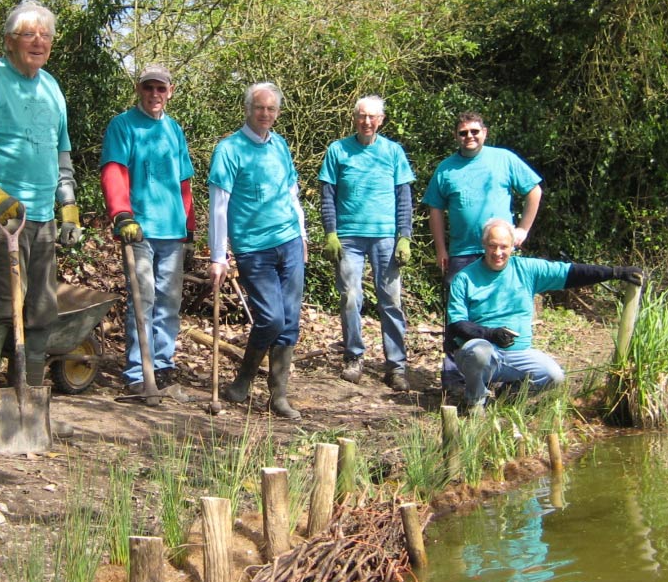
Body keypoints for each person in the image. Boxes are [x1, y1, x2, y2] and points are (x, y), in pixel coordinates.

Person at [0, 0, 82, 443]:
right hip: (0, 217)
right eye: (28, 35)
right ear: (9, 41)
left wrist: (68, 205)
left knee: (42, 310)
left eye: (44, 36)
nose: (38, 42)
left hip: (42, 216)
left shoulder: (52, 88)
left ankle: (25, 408)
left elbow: (61, 153)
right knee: (2, 308)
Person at [446, 218, 643, 412]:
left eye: (504, 247)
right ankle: (476, 402)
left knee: (554, 376)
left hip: (519, 354)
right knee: (478, 352)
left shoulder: (527, 270)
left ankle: (510, 396)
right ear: (484, 245)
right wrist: (489, 334)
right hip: (483, 353)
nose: (498, 252)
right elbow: (456, 324)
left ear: (513, 246)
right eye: (492, 246)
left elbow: (572, 272)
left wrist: (615, 272)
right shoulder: (465, 278)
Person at [208, 82, 308, 420]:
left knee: (290, 320)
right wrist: (219, 256)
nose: (265, 114)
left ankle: (278, 395)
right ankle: (244, 380)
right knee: (271, 317)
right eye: (259, 108)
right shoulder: (229, 149)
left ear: (277, 112)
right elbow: (219, 206)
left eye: (271, 109)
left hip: (290, 241)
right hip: (253, 248)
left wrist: (303, 234)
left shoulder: (280, 145)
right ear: (247, 109)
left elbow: (291, 192)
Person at [100, 63, 196, 401]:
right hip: (137, 230)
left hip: (172, 230)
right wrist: (121, 213)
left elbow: (184, 182)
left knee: (169, 301)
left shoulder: (174, 130)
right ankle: (138, 373)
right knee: (143, 300)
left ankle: (162, 365)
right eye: (148, 88)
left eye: (160, 88)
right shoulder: (123, 125)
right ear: (139, 90)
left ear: (170, 92)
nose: (154, 94)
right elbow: (113, 171)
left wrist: (190, 223)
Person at [318, 95, 416, 392]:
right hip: (349, 236)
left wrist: (405, 237)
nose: (367, 121)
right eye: (362, 116)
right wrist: (330, 232)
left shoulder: (393, 152)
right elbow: (326, 195)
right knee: (350, 297)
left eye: (373, 117)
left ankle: (396, 365)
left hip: (386, 237)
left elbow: (404, 198)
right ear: (354, 118)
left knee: (391, 300)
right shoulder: (337, 151)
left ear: (381, 120)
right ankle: (353, 357)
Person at [423, 111, 543, 285]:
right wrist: (440, 250)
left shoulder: (504, 158)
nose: (469, 136)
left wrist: (523, 229)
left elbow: (534, 191)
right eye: (463, 133)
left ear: (484, 133)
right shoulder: (445, 169)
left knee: (501, 306)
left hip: (500, 249)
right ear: (455, 136)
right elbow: (435, 209)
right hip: (462, 253)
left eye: (474, 131)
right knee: (462, 308)